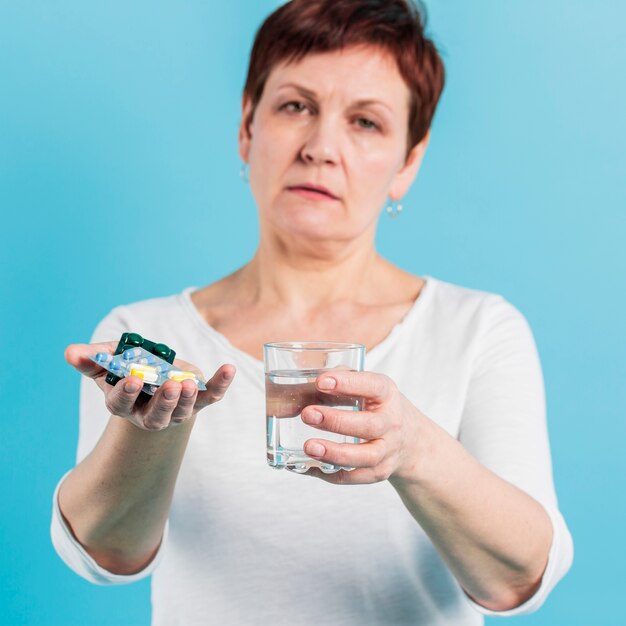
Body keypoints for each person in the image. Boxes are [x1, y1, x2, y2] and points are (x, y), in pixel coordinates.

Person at [51, 1, 574, 624]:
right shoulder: (145, 342)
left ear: (409, 161)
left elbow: (518, 579)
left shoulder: (479, 331)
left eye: (366, 122)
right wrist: (148, 433)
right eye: (296, 106)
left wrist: (414, 450)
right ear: (248, 125)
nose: (322, 147)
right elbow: (108, 554)